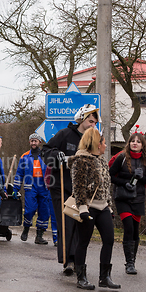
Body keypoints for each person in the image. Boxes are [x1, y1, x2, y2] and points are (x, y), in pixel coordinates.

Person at [41, 104, 100, 275]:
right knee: (66, 223)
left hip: (81, 189)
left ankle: (78, 259)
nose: (92, 125)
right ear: (81, 119)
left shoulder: (93, 139)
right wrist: (56, 156)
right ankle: (69, 260)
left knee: (79, 224)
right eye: (90, 121)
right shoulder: (64, 134)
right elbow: (46, 151)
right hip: (61, 187)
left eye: (95, 123)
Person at [68, 128, 120, 290]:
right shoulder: (80, 160)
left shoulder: (102, 160)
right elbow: (78, 186)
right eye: (104, 143)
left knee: (109, 240)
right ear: (97, 144)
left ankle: (104, 277)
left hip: (103, 206)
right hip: (88, 208)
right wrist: (82, 207)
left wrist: (109, 207)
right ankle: (81, 277)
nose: (105, 146)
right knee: (83, 241)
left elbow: (105, 186)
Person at [109, 132, 146, 275]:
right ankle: (128, 263)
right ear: (128, 143)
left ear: (143, 145)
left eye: (138, 142)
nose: (135, 143)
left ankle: (132, 261)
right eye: (132, 141)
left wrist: (141, 178)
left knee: (135, 230)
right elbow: (111, 175)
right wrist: (125, 183)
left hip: (138, 199)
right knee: (128, 227)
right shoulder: (122, 157)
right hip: (122, 197)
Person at [13, 133, 53, 245]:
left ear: (39, 142)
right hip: (30, 186)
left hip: (44, 187)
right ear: (29, 142)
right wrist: (15, 189)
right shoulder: (24, 157)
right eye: (32, 141)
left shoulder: (46, 155)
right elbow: (19, 174)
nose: (33, 143)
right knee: (30, 210)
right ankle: (26, 228)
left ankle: (39, 236)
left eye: (35, 141)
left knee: (45, 212)